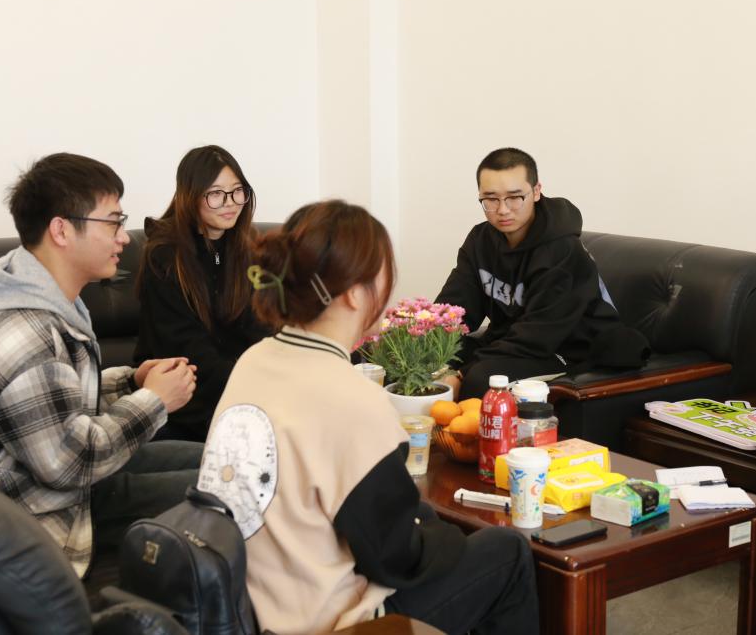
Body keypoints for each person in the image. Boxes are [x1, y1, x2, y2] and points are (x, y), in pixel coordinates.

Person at [197, 200, 539, 634]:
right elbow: (397, 558)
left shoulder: (254, 360)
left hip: (248, 606)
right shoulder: (351, 396)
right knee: (507, 550)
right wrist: (447, 538)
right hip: (326, 623)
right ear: (355, 293)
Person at [0, 153, 201, 577]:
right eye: (114, 222)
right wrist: (154, 401)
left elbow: (58, 399)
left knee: (220, 463)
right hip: (38, 523)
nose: (125, 238)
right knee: (223, 493)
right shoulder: (21, 331)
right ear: (61, 229)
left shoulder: (39, 291)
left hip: (60, 486)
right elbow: (69, 462)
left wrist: (131, 383)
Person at [435, 147, 649, 399]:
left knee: (482, 378)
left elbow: (538, 335)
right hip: (513, 341)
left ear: (536, 191)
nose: (503, 209)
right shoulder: (480, 240)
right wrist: (425, 344)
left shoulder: (562, 250)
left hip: (565, 350)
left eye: (515, 197)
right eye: (490, 199)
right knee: (421, 358)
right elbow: (455, 309)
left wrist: (461, 373)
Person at [135, 145, 268, 441]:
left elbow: (260, 328)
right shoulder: (164, 255)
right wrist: (253, 385)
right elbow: (187, 349)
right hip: (186, 399)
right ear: (190, 196)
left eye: (237, 191)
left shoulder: (247, 247)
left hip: (241, 393)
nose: (230, 203)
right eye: (216, 193)